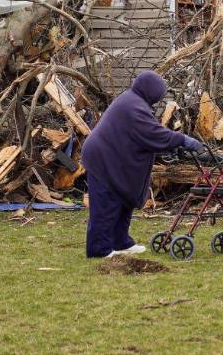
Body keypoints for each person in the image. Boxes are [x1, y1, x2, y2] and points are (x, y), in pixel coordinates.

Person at [81, 71, 201, 258]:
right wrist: (181, 139)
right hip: (103, 159)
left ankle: (120, 243)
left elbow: (144, 136)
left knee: (122, 200)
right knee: (106, 204)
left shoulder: (134, 101)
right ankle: (99, 249)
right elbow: (152, 133)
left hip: (112, 158)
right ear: (151, 91)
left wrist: (169, 146)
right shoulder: (133, 106)